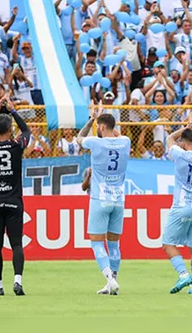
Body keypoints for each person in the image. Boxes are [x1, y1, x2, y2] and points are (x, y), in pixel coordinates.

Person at [77, 103, 132, 295]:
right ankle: (113, 282)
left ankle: (109, 278)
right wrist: (105, 122)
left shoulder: (95, 142)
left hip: (100, 199)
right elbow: (114, 134)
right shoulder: (125, 141)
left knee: (96, 242)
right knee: (114, 243)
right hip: (118, 200)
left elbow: (79, 138)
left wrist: (92, 118)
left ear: (100, 127)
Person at [0, 94, 31, 296]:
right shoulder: (17, 145)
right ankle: (17, 281)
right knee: (16, 243)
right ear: (11, 130)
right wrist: (12, 110)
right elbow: (26, 130)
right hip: (14, 201)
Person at [162, 114, 192, 295]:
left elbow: (169, 138)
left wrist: (185, 127)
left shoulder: (180, 155)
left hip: (181, 206)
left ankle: (183, 274)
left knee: (167, 244)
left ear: (183, 142)